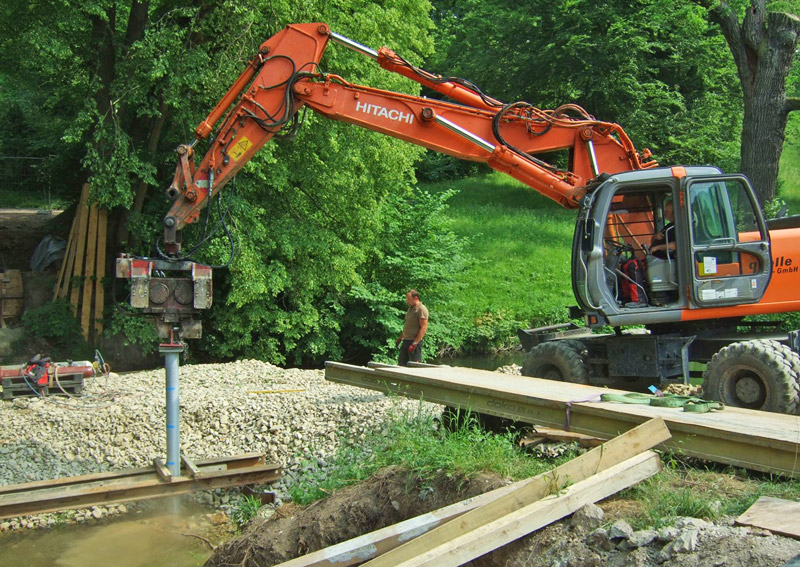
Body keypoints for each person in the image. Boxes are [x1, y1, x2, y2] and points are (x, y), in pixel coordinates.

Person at [396, 289, 428, 366]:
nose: (407, 301)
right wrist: (400, 337)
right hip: (406, 340)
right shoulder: (410, 308)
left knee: (415, 366)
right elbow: (408, 325)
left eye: (409, 299)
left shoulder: (421, 309)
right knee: (401, 364)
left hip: (414, 342)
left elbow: (423, 328)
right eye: (407, 299)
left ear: (415, 298)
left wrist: (414, 344)